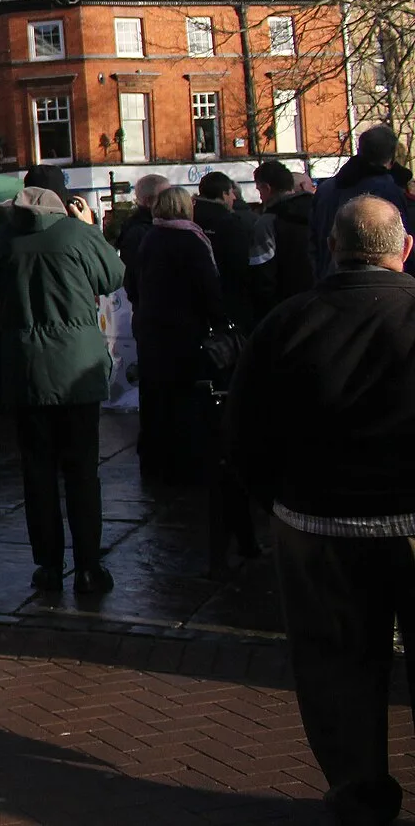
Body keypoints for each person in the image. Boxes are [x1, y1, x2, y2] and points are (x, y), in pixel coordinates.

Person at [228, 195, 415, 826]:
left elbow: (245, 433)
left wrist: (277, 502)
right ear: (405, 247)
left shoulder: (287, 322)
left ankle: (361, 796)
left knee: (336, 667)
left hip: (318, 527)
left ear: (332, 247)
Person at [0, 186, 125, 594]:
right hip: (76, 367)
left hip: (25, 366)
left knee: (38, 472)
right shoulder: (76, 235)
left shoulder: (1, 243)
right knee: (82, 472)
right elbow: (113, 276)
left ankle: (48, 566)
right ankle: (88, 566)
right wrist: (90, 229)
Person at [132, 186, 225, 485]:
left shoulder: (149, 238)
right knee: (184, 393)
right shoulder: (192, 240)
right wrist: (219, 319)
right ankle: (183, 459)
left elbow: (132, 282)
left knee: (155, 394)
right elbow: (208, 287)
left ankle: (155, 457)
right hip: (184, 328)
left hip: (151, 326)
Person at [311, 125, 415, 279]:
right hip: (379, 285)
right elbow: (400, 244)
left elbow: (312, 244)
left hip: (329, 281)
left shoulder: (325, 189)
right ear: (391, 157)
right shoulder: (389, 190)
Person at [194, 173, 260, 334]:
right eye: (230, 193)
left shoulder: (191, 218)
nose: (233, 198)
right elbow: (240, 265)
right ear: (223, 194)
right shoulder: (229, 222)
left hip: (197, 302)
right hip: (230, 300)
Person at [253, 159, 316, 306]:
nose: (260, 196)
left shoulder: (268, 222)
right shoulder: (320, 211)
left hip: (286, 305)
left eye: (259, 190)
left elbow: (262, 271)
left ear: (267, 188)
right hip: (322, 300)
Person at [115, 173, 169, 307]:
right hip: (153, 309)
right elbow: (134, 277)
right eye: (165, 196)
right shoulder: (138, 232)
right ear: (149, 201)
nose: (171, 200)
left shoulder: (162, 225)